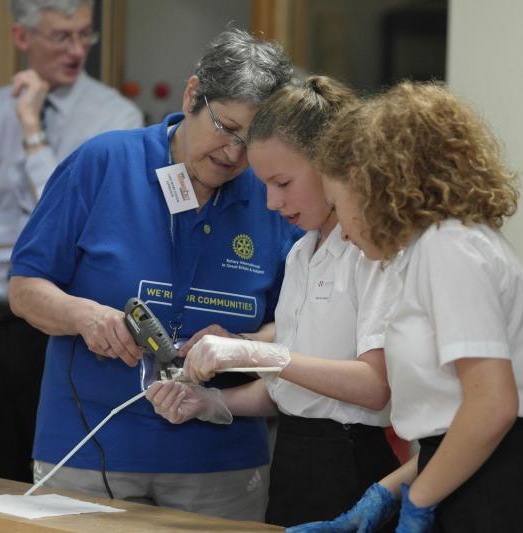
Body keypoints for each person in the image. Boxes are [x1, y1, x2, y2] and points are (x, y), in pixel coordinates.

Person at [8, 28, 299, 521]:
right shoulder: (103, 163)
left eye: (251, 142)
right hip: (91, 449)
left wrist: (244, 341)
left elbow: (297, 324)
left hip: (220, 462)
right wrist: (83, 315)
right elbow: (25, 288)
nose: (234, 154)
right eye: (226, 128)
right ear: (192, 96)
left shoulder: (271, 196)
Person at [291, 81, 523, 532]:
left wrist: (419, 502)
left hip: (497, 500)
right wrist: (385, 494)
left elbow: (492, 407)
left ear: (372, 187)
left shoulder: (450, 249)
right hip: (467, 480)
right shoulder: (435, 249)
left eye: (336, 205)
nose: (343, 232)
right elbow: (450, 423)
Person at [146, 76, 401, 529]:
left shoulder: (371, 250)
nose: (270, 202)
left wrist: (254, 351)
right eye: (263, 184)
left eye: (282, 182)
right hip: (293, 458)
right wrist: (210, 403)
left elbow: (374, 386)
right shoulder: (302, 252)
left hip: (354, 460)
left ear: (332, 164)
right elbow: (296, 390)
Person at [0, 0, 142, 482]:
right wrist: (37, 235)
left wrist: (32, 132)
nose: (76, 50)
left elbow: (85, 233)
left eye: (84, 35)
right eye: (60, 37)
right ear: (22, 37)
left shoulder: (116, 118)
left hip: (59, 329)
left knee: (51, 481)